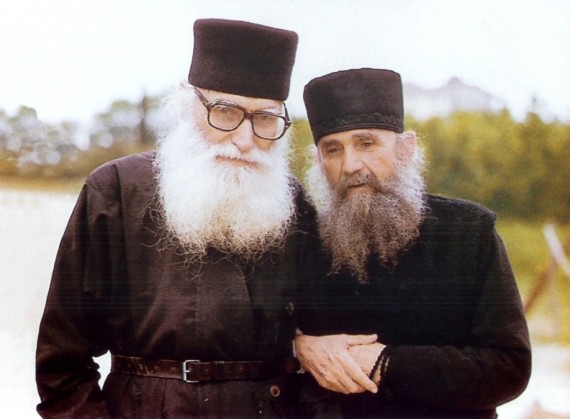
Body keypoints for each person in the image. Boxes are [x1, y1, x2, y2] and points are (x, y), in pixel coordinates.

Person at [35, 18, 319, 418]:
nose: (244, 139)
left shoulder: (295, 204)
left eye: (265, 118)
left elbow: (319, 349)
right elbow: (61, 365)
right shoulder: (115, 190)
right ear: (189, 107)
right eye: (225, 112)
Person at [294, 68, 532, 418]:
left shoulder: (468, 232)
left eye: (366, 143)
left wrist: (387, 362)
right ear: (318, 161)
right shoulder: (303, 242)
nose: (350, 165)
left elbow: (508, 367)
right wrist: (301, 347)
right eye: (333, 150)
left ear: (406, 149)